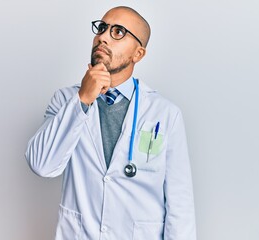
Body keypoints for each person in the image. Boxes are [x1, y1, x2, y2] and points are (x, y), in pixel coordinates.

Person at [25, 6, 196, 240]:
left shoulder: (165, 114)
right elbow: (41, 164)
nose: (103, 36)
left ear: (138, 54)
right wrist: (82, 99)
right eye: (102, 28)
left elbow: (180, 205)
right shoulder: (66, 100)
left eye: (118, 32)